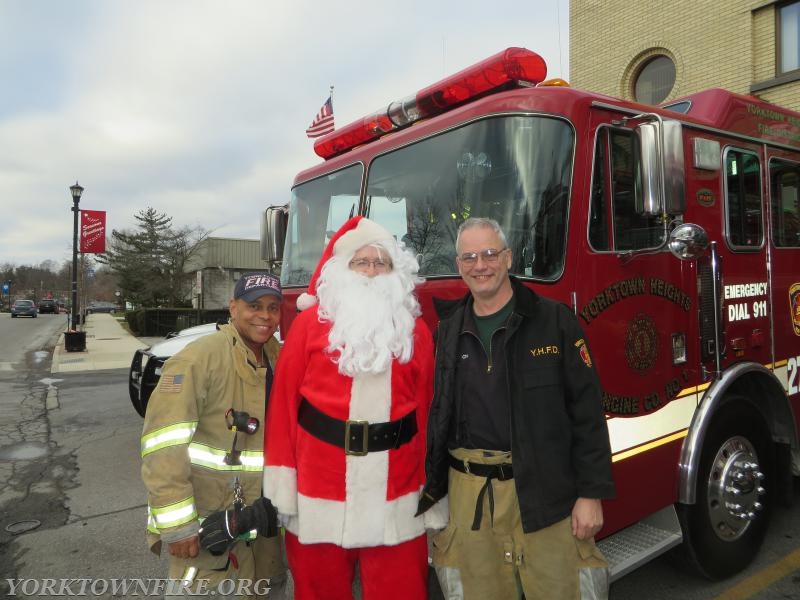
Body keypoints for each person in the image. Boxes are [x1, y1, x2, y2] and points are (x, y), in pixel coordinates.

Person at [416, 217, 615, 600]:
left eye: (490, 254)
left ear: (508, 258)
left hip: (546, 494)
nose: (481, 265)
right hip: (470, 499)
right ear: (459, 266)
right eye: (470, 257)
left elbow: (587, 414)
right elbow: (437, 416)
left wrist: (590, 494)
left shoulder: (555, 322)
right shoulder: (446, 331)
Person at [262, 216, 438, 599]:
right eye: (363, 262)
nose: (372, 271)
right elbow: (282, 409)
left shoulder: (415, 331)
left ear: (396, 272)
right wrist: (282, 484)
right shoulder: (308, 326)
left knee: (403, 591)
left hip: (398, 491)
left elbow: (428, 411)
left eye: (381, 263)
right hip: (318, 490)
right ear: (344, 269)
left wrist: (432, 487)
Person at [140, 272, 288, 599]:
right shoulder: (199, 358)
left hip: (263, 523)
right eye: (254, 306)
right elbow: (163, 445)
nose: (265, 315)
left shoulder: (278, 357)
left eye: (273, 307)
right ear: (233, 308)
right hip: (209, 526)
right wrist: (179, 527)